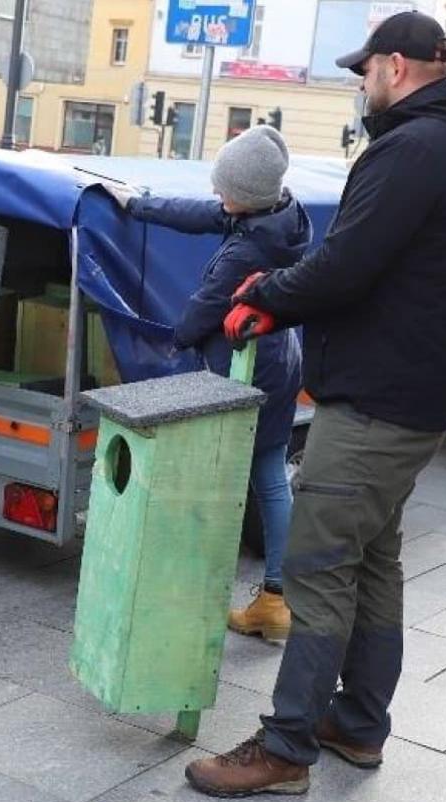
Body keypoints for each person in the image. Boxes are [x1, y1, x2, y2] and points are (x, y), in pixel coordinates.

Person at [182, 11, 446, 798]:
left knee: (317, 567)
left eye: (363, 72)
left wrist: (266, 303)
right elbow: (359, 250)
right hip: (409, 393)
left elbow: (348, 262)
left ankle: (284, 750)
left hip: (378, 402)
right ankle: (356, 726)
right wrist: (280, 290)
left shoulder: (415, 146)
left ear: (394, 66)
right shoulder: (440, 145)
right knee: (373, 562)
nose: (359, 84)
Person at [105, 124, 306, 641]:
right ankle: (277, 599)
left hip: (244, 371)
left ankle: (194, 594)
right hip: (280, 358)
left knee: (220, 480)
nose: (217, 193)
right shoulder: (277, 213)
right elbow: (202, 213)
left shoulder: (248, 249)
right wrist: (138, 205)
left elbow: (200, 316)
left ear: (246, 195)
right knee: (270, 472)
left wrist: (159, 339)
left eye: (224, 186)